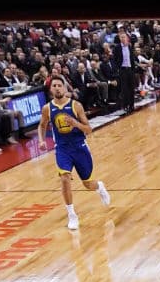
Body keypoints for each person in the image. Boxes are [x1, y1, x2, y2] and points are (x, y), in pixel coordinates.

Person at [37, 76, 110, 231]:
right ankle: (72, 215)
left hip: (80, 147)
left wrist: (76, 124)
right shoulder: (47, 108)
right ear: (51, 89)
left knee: (88, 183)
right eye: (54, 85)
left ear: (64, 88)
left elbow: (89, 129)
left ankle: (100, 187)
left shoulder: (76, 106)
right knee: (64, 178)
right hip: (62, 149)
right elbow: (42, 125)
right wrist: (42, 140)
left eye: (59, 85)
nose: (57, 88)